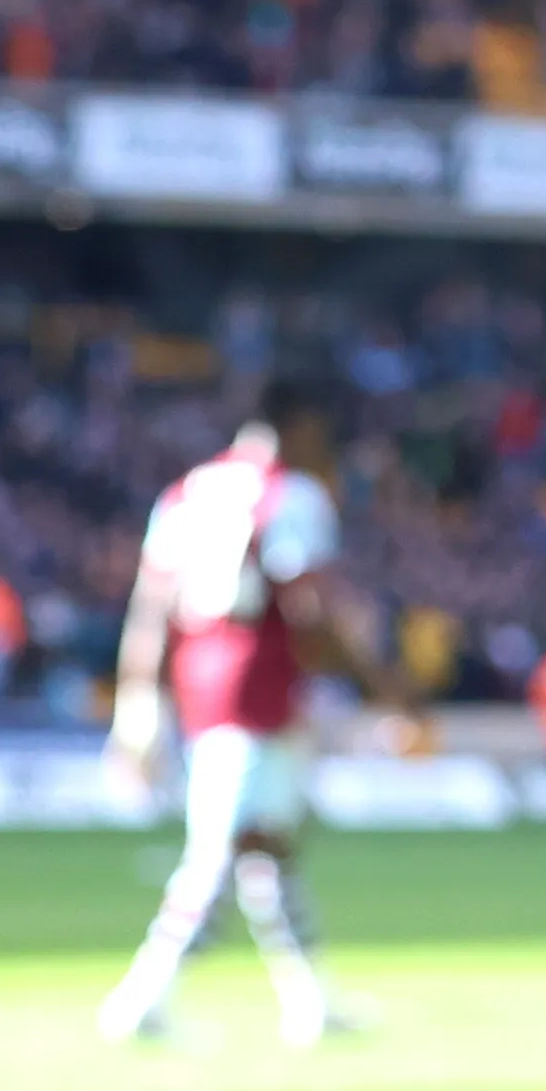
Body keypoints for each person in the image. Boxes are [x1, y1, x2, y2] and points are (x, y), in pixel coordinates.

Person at [100, 380, 401, 1046]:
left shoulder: (183, 492)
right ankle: (143, 998)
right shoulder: (290, 494)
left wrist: (138, 696)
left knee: (267, 842)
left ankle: (311, 999)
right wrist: (376, 683)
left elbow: (151, 607)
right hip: (260, 680)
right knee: (220, 850)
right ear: (299, 424)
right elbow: (307, 605)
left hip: (200, 678)